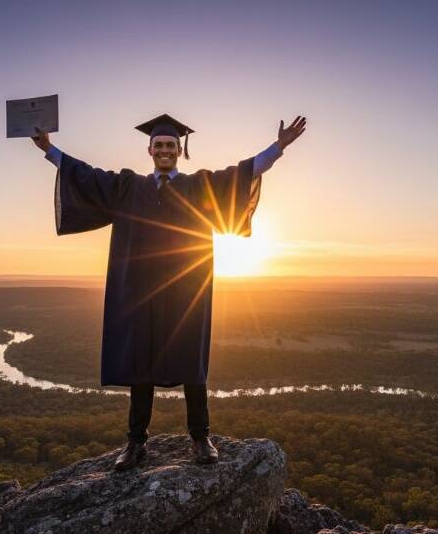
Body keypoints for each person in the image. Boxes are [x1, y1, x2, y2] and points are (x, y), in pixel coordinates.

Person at [31, 113, 306, 470]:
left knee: (191, 360)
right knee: (140, 365)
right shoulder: (130, 188)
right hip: (140, 291)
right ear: (150, 149)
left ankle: (201, 437)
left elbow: (243, 173)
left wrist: (279, 147)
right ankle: (134, 443)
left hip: (186, 290)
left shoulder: (198, 187)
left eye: (170, 146)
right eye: (159, 145)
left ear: (180, 151)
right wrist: (49, 149)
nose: (164, 150)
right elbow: (87, 176)